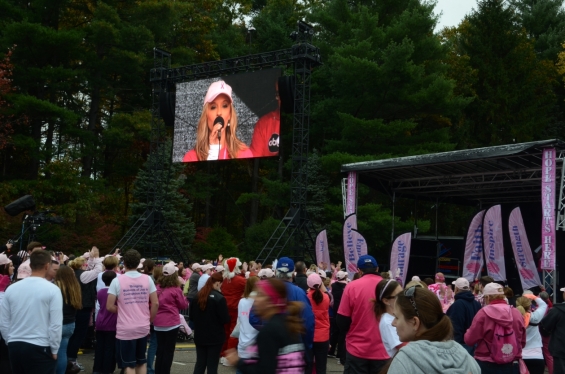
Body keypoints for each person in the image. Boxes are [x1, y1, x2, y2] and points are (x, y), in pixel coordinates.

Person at [382, 286, 481, 374]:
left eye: (397, 317)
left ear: (415, 322)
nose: (393, 323)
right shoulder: (467, 358)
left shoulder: (405, 361)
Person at [0, 250, 63, 374]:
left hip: (15, 344)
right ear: (47, 266)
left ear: (30, 265)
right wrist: (55, 349)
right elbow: (56, 324)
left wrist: (10, 341)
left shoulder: (11, 288)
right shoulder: (53, 290)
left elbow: (4, 321)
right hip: (40, 345)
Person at [225, 278, 306, 373]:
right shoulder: (288, 323)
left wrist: (238, 362)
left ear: (271, 301)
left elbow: (264, 370)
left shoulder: (269, 331)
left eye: (260, 294)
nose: (255, 298)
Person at [107, 249, 159, 374]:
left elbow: (109, 306)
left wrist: (123, 309)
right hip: (143, 326)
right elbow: (156, 303)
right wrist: (150, 319)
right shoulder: (147, 279)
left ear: (124, 263)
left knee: (128, 364)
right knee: (141, 361)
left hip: (126, 328)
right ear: (138, 264)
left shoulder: (117, 280)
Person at [337, 255, 388, 373]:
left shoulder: (351, 287)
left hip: (357, 349)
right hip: (383, 350)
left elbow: (342, 321)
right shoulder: (389, 287)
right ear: (377, 269)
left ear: (359, 271)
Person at [183, 80, 253, 162]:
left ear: (230, 115)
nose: (219, 112)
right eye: (213, 107)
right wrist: (213, 151)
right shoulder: (191, 157)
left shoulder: (244, 154)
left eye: (224, 106)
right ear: (206, 115)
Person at [464, 282, 526, 374]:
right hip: (512, 363)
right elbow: (523, 342)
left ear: (488, 297)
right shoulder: (516, 313)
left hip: (486, 363)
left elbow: (469, 340)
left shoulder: (483, 314)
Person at [67, 248, 104, 371]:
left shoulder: (74, 273)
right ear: (82, 265)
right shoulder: (83, 275)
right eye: (85, 263)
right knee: (79, 334)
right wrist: (97, 257)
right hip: (84, 307)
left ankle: (70, 359)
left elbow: (92, 269)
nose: (87, 265)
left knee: (74, 334)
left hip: (77, 306)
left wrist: (92, 258)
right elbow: (97, 270)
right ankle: (72, 360)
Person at [189, 272, 231, 374]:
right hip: (215, 336)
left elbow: (191, 317)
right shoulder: (219, 298)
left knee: (200, 363)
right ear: (217, 283)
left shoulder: (197, 296)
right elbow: (225, 319)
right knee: (212, 366)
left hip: (200, 335)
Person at [154, 262, 189, 374]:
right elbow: (183, 305)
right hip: (171, 323)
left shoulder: (156, 287)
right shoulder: (175, 289)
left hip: (158, 323)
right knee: (168, 351)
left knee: (160, 350)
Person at [219, 257, 246, 365]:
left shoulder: (223, 279)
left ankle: (222, 353)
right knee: (233, 333)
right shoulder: (241, 280)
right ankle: (229, 356)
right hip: (236, 309)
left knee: (225, 332)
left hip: (225, 308)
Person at [445, 277, 481, 355]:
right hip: (475, 345)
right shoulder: (477, 303)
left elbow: (455, 327)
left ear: (456, 289)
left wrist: (452, 348)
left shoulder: (458, 304)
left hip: (461, 347)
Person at [516, 293, 547, 374]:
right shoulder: (535, 317)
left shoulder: (513, 318)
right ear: (530, 306)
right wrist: (534, 297)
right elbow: (543, 305)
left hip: (519, 355)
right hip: (536, 355)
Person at [93, 271, 117, 374]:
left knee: (99, 348)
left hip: (100, 322)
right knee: (109, 349)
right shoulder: (115, 293)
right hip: (111, 323)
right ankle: (107, 369)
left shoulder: (100, 292)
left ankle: (97, 369)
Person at [249, 78, 280, 157]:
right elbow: (255, 158)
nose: (279, 98)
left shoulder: (300, 120)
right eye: (278, 94)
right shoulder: (264, 123)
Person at [373, 279, 403, 357]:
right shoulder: (388, 322)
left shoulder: (395, 317)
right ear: (386, 301)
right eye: (399, 295)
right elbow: (402, 347)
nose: (404, 297)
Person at [236, 276, 260, 374]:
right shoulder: (260, 302)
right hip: (256, 343)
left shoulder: (242, 302)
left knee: (241, 368)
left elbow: (240, 319)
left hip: (243, 341)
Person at [307, 273, 330, 374]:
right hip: (323, 336)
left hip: (309, 335)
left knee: (307, 366)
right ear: (321, 284)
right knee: (321, 367)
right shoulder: (326, 297)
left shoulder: (306, 297)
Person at [540, 286, 565, 374]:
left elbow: (544, 326)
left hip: (560, 348)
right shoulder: (557, 310)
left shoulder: (557, 311)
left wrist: (548, 334)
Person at [328, 270, 347, 364]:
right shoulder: (347, 285)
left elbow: (331, 299)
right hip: (344, 311)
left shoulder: (333, 286)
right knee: (342, 333)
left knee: (334, 331)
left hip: (335, 309)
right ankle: (340, 354)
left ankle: (331, 350)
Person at [539, 291, 554, 374]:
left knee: (546, 354)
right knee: (548, 355)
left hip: (541, 333)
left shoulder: (538, 309)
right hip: (547, 333)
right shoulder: (550, 308)